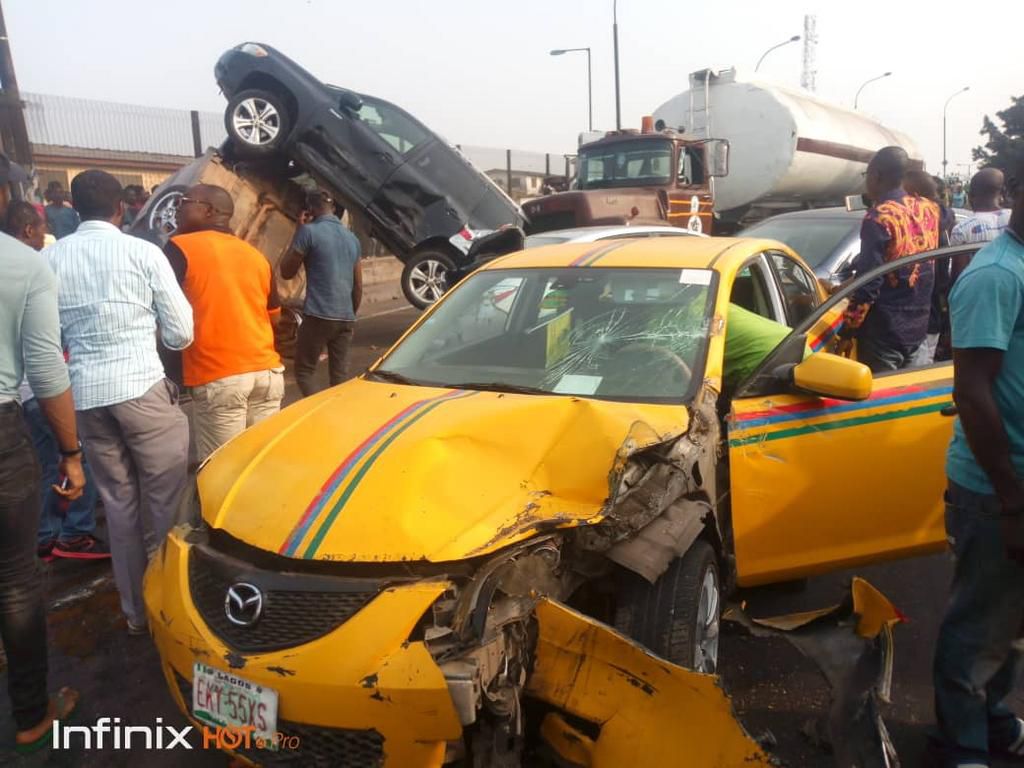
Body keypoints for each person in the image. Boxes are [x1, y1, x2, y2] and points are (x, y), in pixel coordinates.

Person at [46, 170, 194, 635]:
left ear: (73, 207)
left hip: (86, 397)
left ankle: (135, 615)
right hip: (140, 386)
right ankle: (170, 609)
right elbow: (181, 332)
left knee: (120, 507)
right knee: (166, 502)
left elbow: (47, 338)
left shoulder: (51, 258)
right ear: (120, 209)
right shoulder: (141, 251)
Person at [932, 162, 1024, 768]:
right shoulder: (996, 275)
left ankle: (990, 719)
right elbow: (972, 390)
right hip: (998, 487)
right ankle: (961, 744)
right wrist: (1011, 497)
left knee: (1008, 618)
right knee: (978, 622)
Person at [0, 152, 82, 751]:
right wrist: (71, 453)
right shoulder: (22, 266)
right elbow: (46, 373)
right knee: (16, 580)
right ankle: (31, 715)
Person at [5, 202, 109, 561]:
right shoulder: (29, 266)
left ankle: (46, 534)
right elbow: (45, 360)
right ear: (29, 230)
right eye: (42, 225)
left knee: (43, 464)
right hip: (33, 392)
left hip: (16, 395)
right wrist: (73, 452)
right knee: (78, 460)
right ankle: (75, 534)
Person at [164, 184, 284, 461]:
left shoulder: (179, 248)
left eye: (184, 202)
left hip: (219, 376)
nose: (178, 208)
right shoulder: (256, 255)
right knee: (260, 464)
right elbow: (274, 315)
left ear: (208, 210)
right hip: (266, 374)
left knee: (222, 469)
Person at [841, 146, 940, 372]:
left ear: (876, 176)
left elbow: (869, 283)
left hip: (884, 334)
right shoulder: (929, 209)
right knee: (911, 398)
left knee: (883, 401)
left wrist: (848, 331)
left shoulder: (879, 217)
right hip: (918, 330)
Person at [281, 190, 362, 396]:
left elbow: (287, 272)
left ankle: (318, 412)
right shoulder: (352, 238)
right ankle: (338, 417)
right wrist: (349, 315)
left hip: (318, 315)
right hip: (346, 317)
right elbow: (358, 286)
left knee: (304, 371)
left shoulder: (309, 232)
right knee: (339, 378)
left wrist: (298, 231)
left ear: (309, 210)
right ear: (334, 209)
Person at [904, 170, 954, 365]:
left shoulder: (916, 223)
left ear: (916, 195)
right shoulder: (943, 219)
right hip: (932, 311)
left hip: (915, 313)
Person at [950, 168, 1012, 281]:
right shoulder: (1015, 218)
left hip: (979, 293)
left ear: (970, 196)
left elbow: (958, 277)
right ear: (1002, 193)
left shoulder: (962, 229)